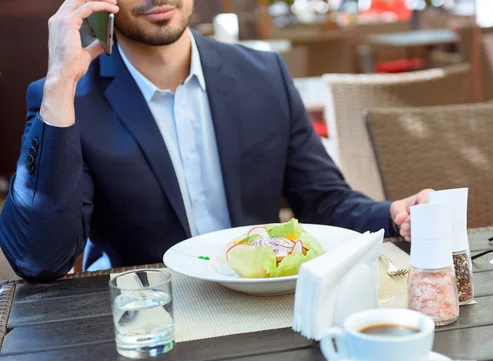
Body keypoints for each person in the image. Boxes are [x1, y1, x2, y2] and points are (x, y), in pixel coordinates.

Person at [0, 0, 431, 281]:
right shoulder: (73, 97)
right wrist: (60, 84)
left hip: (264, 305)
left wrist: (391, 214)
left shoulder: (264, 76)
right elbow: (40, 260)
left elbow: (324, 202)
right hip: (145, 316)